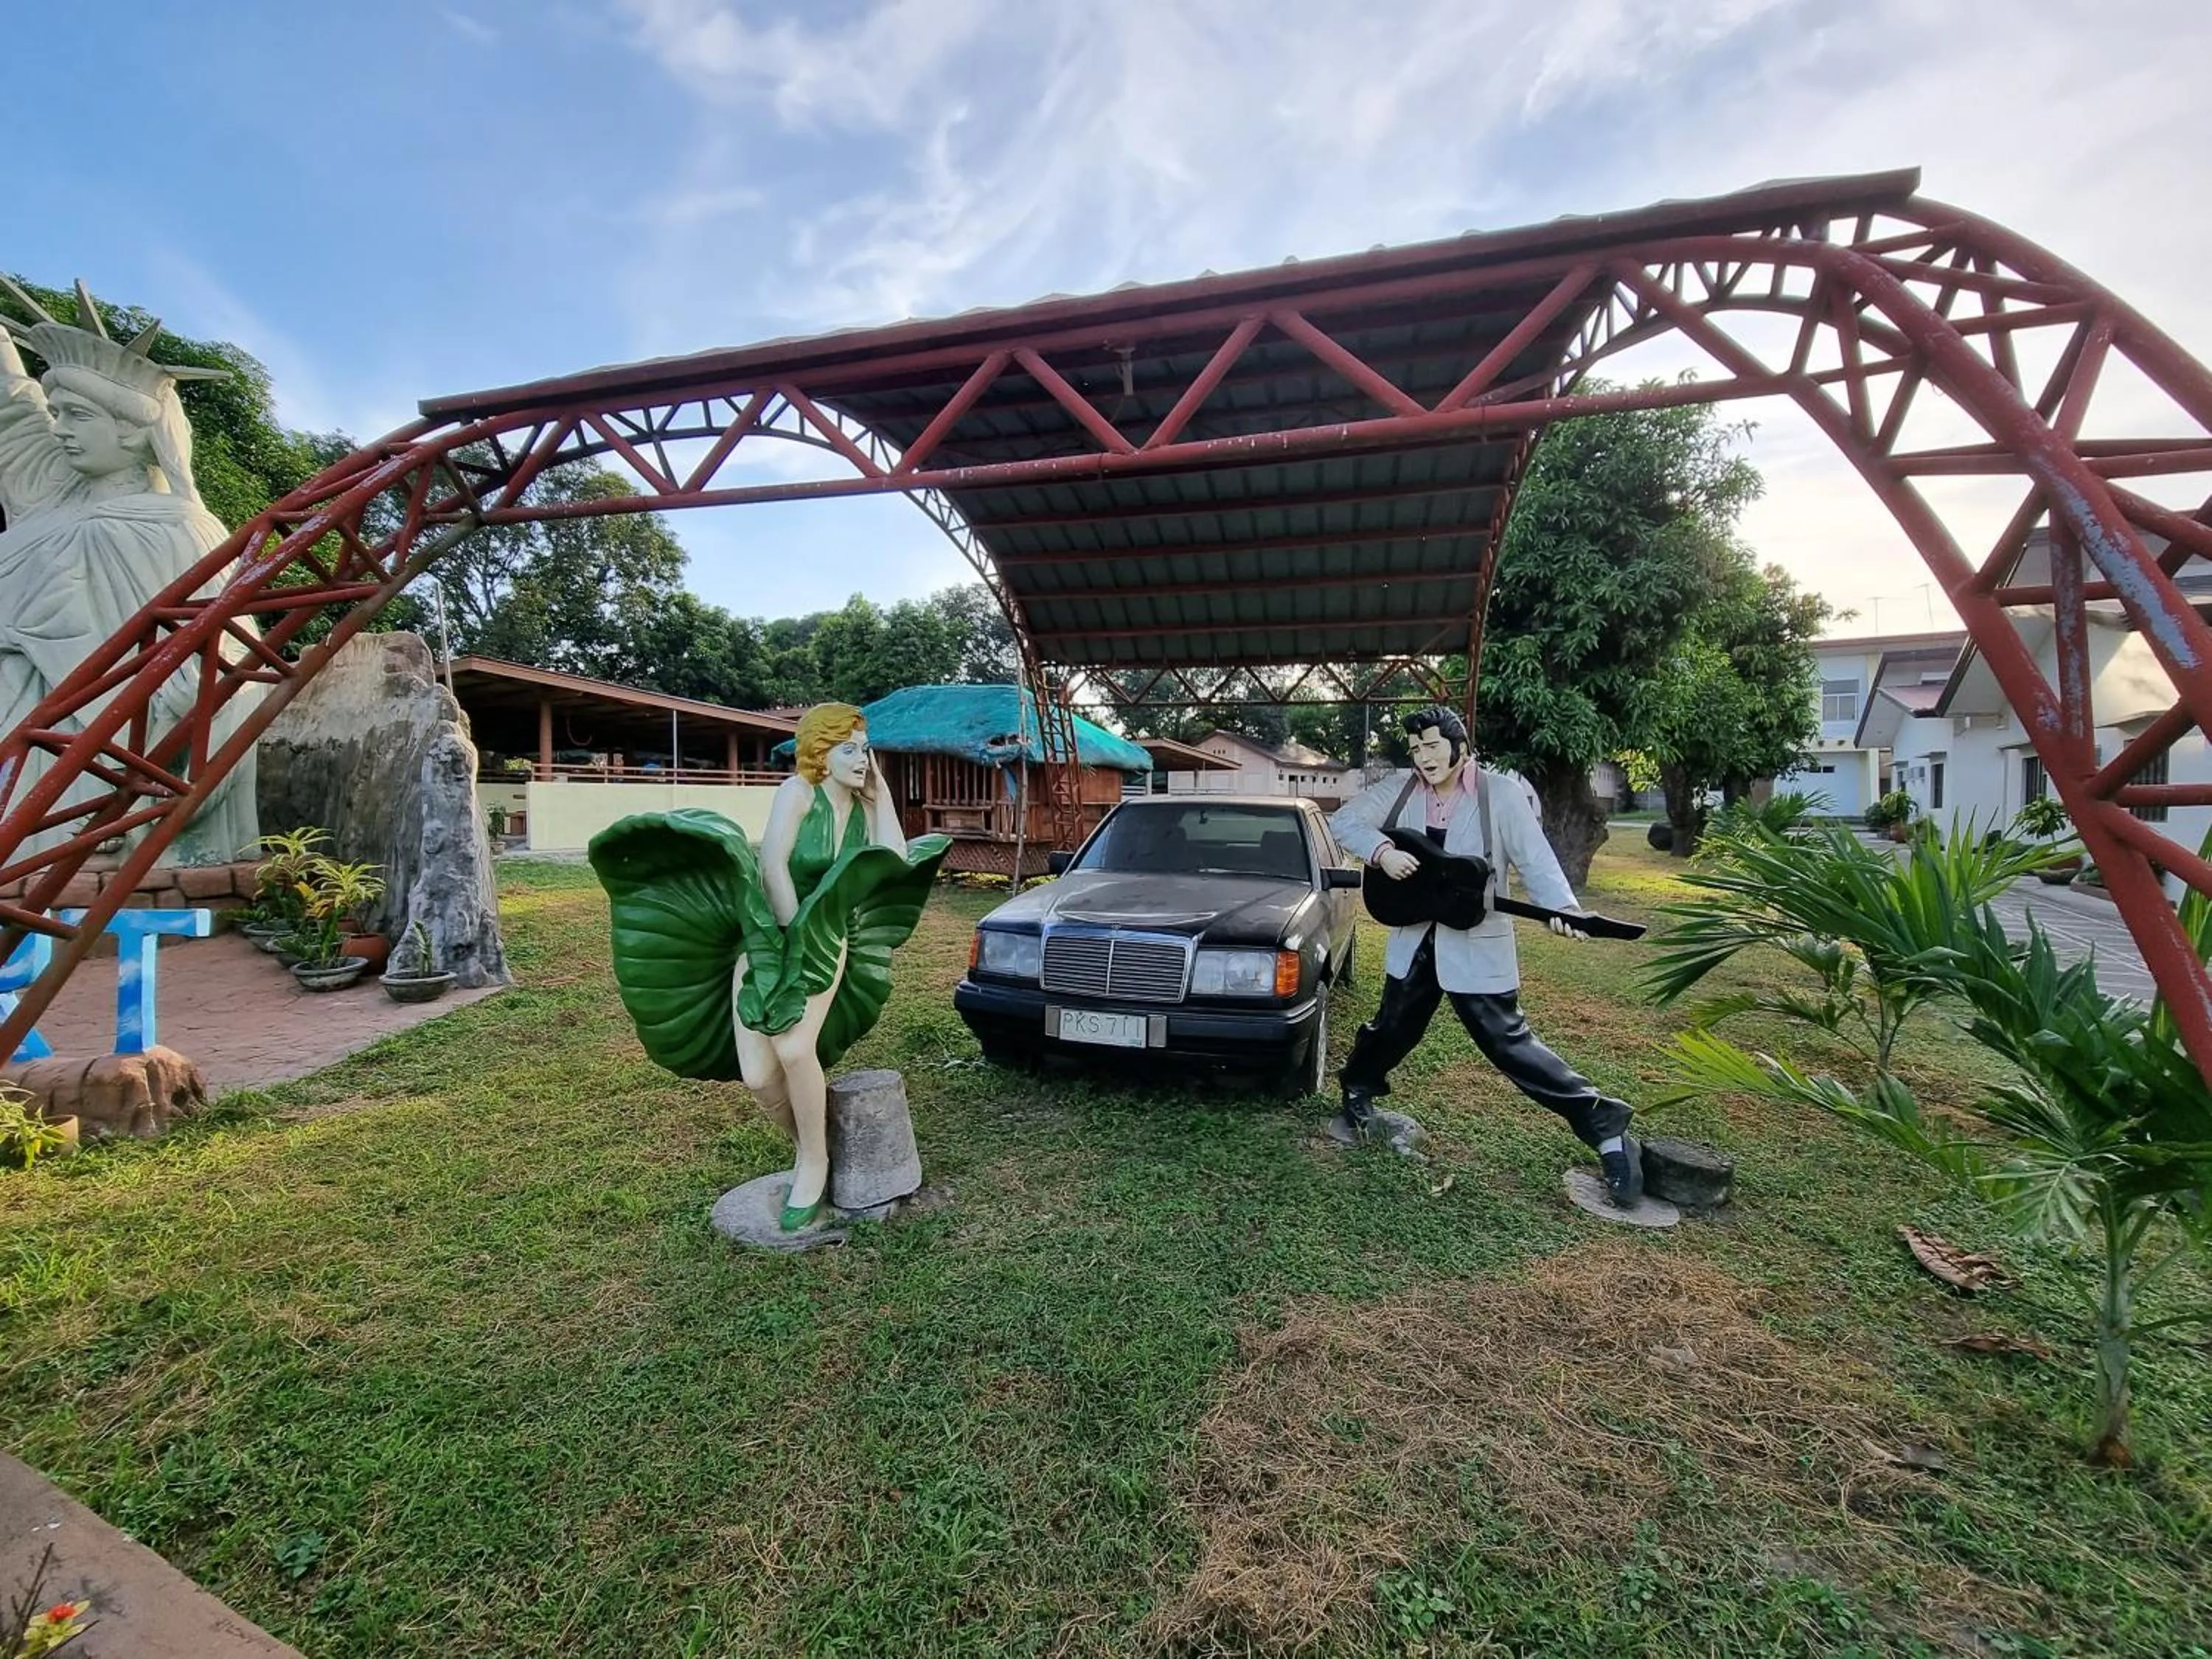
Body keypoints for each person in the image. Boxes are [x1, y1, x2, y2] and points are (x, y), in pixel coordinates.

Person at [589, 704, 950, 1231]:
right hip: (766, 935)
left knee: (795, 1049)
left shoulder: (863, 803)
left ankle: (815, 1164)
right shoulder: (798, 793)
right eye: (848, 749)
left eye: (865, 750)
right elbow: (772, 865)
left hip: (827, 936)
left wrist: (884, 797)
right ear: (818, 754)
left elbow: (892, 862)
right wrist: (783, 941)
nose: (861, 760)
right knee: (759, 1075)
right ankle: (816, 1142)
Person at [1329, 703, 1645, 1205]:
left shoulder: (1500, 795)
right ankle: (1357, 1090)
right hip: (1416, 937)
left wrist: (1561, 908)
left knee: (1509, 1044)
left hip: (1477, 943)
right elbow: (1344, 822)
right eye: (1415, 749)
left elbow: (1535, 861)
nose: (1424, 757)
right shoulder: (1403, 790)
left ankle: (1602, 1122)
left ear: (1458, 744)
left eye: (1432, 745)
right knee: (1391, 1028)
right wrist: (1383, 853)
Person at [0, 278, 259, 863]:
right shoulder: (50, 501)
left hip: (95, 745)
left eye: (78, 415)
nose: (60, 428)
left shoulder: (176, 527)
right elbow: (12, 411)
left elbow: (207, 664)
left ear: (134, 430)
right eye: (58, 413)